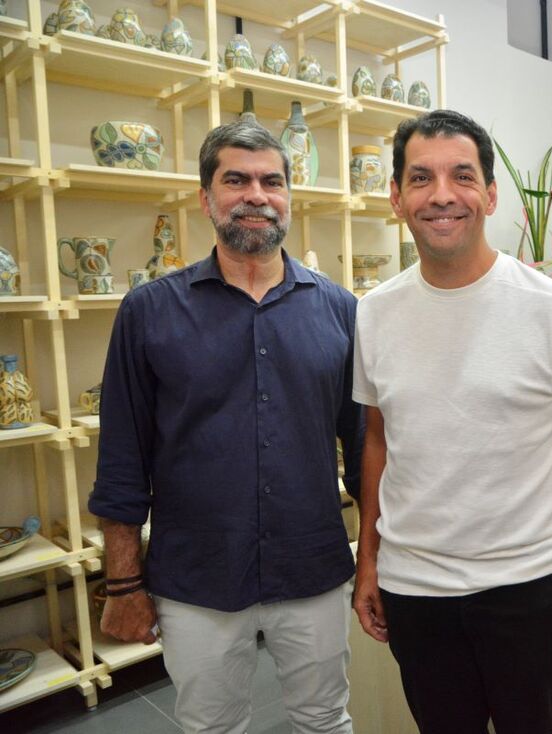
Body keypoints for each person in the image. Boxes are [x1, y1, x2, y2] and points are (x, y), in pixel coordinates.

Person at [88, 120, 362, 734]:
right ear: (205, 197)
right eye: (235, 179)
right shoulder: (149, 313)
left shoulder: (341, 311)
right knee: (212, 726)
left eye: (272, 181)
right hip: (197, 574)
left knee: (324, 718)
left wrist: (373, 559)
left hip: (312, 567)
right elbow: (123, 460)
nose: (256, 195)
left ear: (291, 196)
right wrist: (125, 583)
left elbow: (369, 452)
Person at [350, 110, 552, 734]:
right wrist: (369, 561)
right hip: (415, 590)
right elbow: (379, 442)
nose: (442, 195)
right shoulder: (374, 313)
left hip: (528, 587)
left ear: (490, 194)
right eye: (420, 178)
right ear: (396, 197)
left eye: (461, 176)